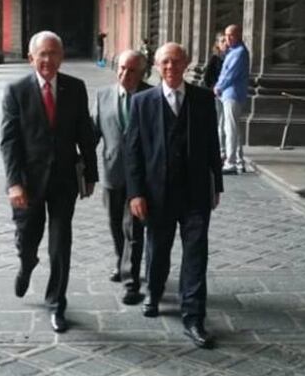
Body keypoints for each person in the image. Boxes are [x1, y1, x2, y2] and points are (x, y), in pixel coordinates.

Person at [0, 30, 98, 333]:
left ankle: (57, 303)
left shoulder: (75, 87)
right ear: (31, 58)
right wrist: (14, 183)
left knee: (60, 244)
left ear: (61, 57)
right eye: (42, 54)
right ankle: (27, 264)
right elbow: (9, 141)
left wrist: (91, 175)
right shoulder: (16, 91)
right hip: (28, 183)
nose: (48, 59)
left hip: (64, 181)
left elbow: (85, 134)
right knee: (27, 239)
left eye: (53, 53)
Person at [126, 42, 222, 348]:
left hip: (195, 192)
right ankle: (154, 292)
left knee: (196, 254)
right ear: (156, 66)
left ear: (187, 64)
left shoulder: (203, 99)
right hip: (157, 193)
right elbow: (133, 152)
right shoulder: (142, 102)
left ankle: (193, 317)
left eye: (177, 62)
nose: (171, 67)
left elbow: (212, 145)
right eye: (165, 62)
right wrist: (136, 193)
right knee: (158, 249)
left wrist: (217, 185)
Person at [92, 49, 151, 305]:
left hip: (142, 177)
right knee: (115, 224)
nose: (125, 74)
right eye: (122, 68)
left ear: (143, 73)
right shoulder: (103, 95)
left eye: (132, 70)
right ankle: (121, 261)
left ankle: (131, 282)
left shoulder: (152, 96)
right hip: (112, 171)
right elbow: (93, 132)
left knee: (134, 229)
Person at [214, 24, 250, 174]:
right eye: (226, 35)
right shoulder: (233, 51)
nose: (228, 38)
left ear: (239, 35)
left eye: (231, 35)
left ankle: (230, 162)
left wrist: (219, 86)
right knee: (232, 128)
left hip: (232, 93)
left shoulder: (239, 52)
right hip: (228, 93)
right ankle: (239, 161)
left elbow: (231, 74)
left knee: (230, 129)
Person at [202, 33, 227, 151]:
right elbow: (207, 77)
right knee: (219, 121)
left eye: (226, 40)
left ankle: (224, 147)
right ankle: (220, 148)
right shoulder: (215, 58)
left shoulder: (230, 57)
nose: (225, 43)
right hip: (217, 94)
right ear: (217, 44)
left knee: (225, 122)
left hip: (228, 94)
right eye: (222, 41)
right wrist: (214, 88)